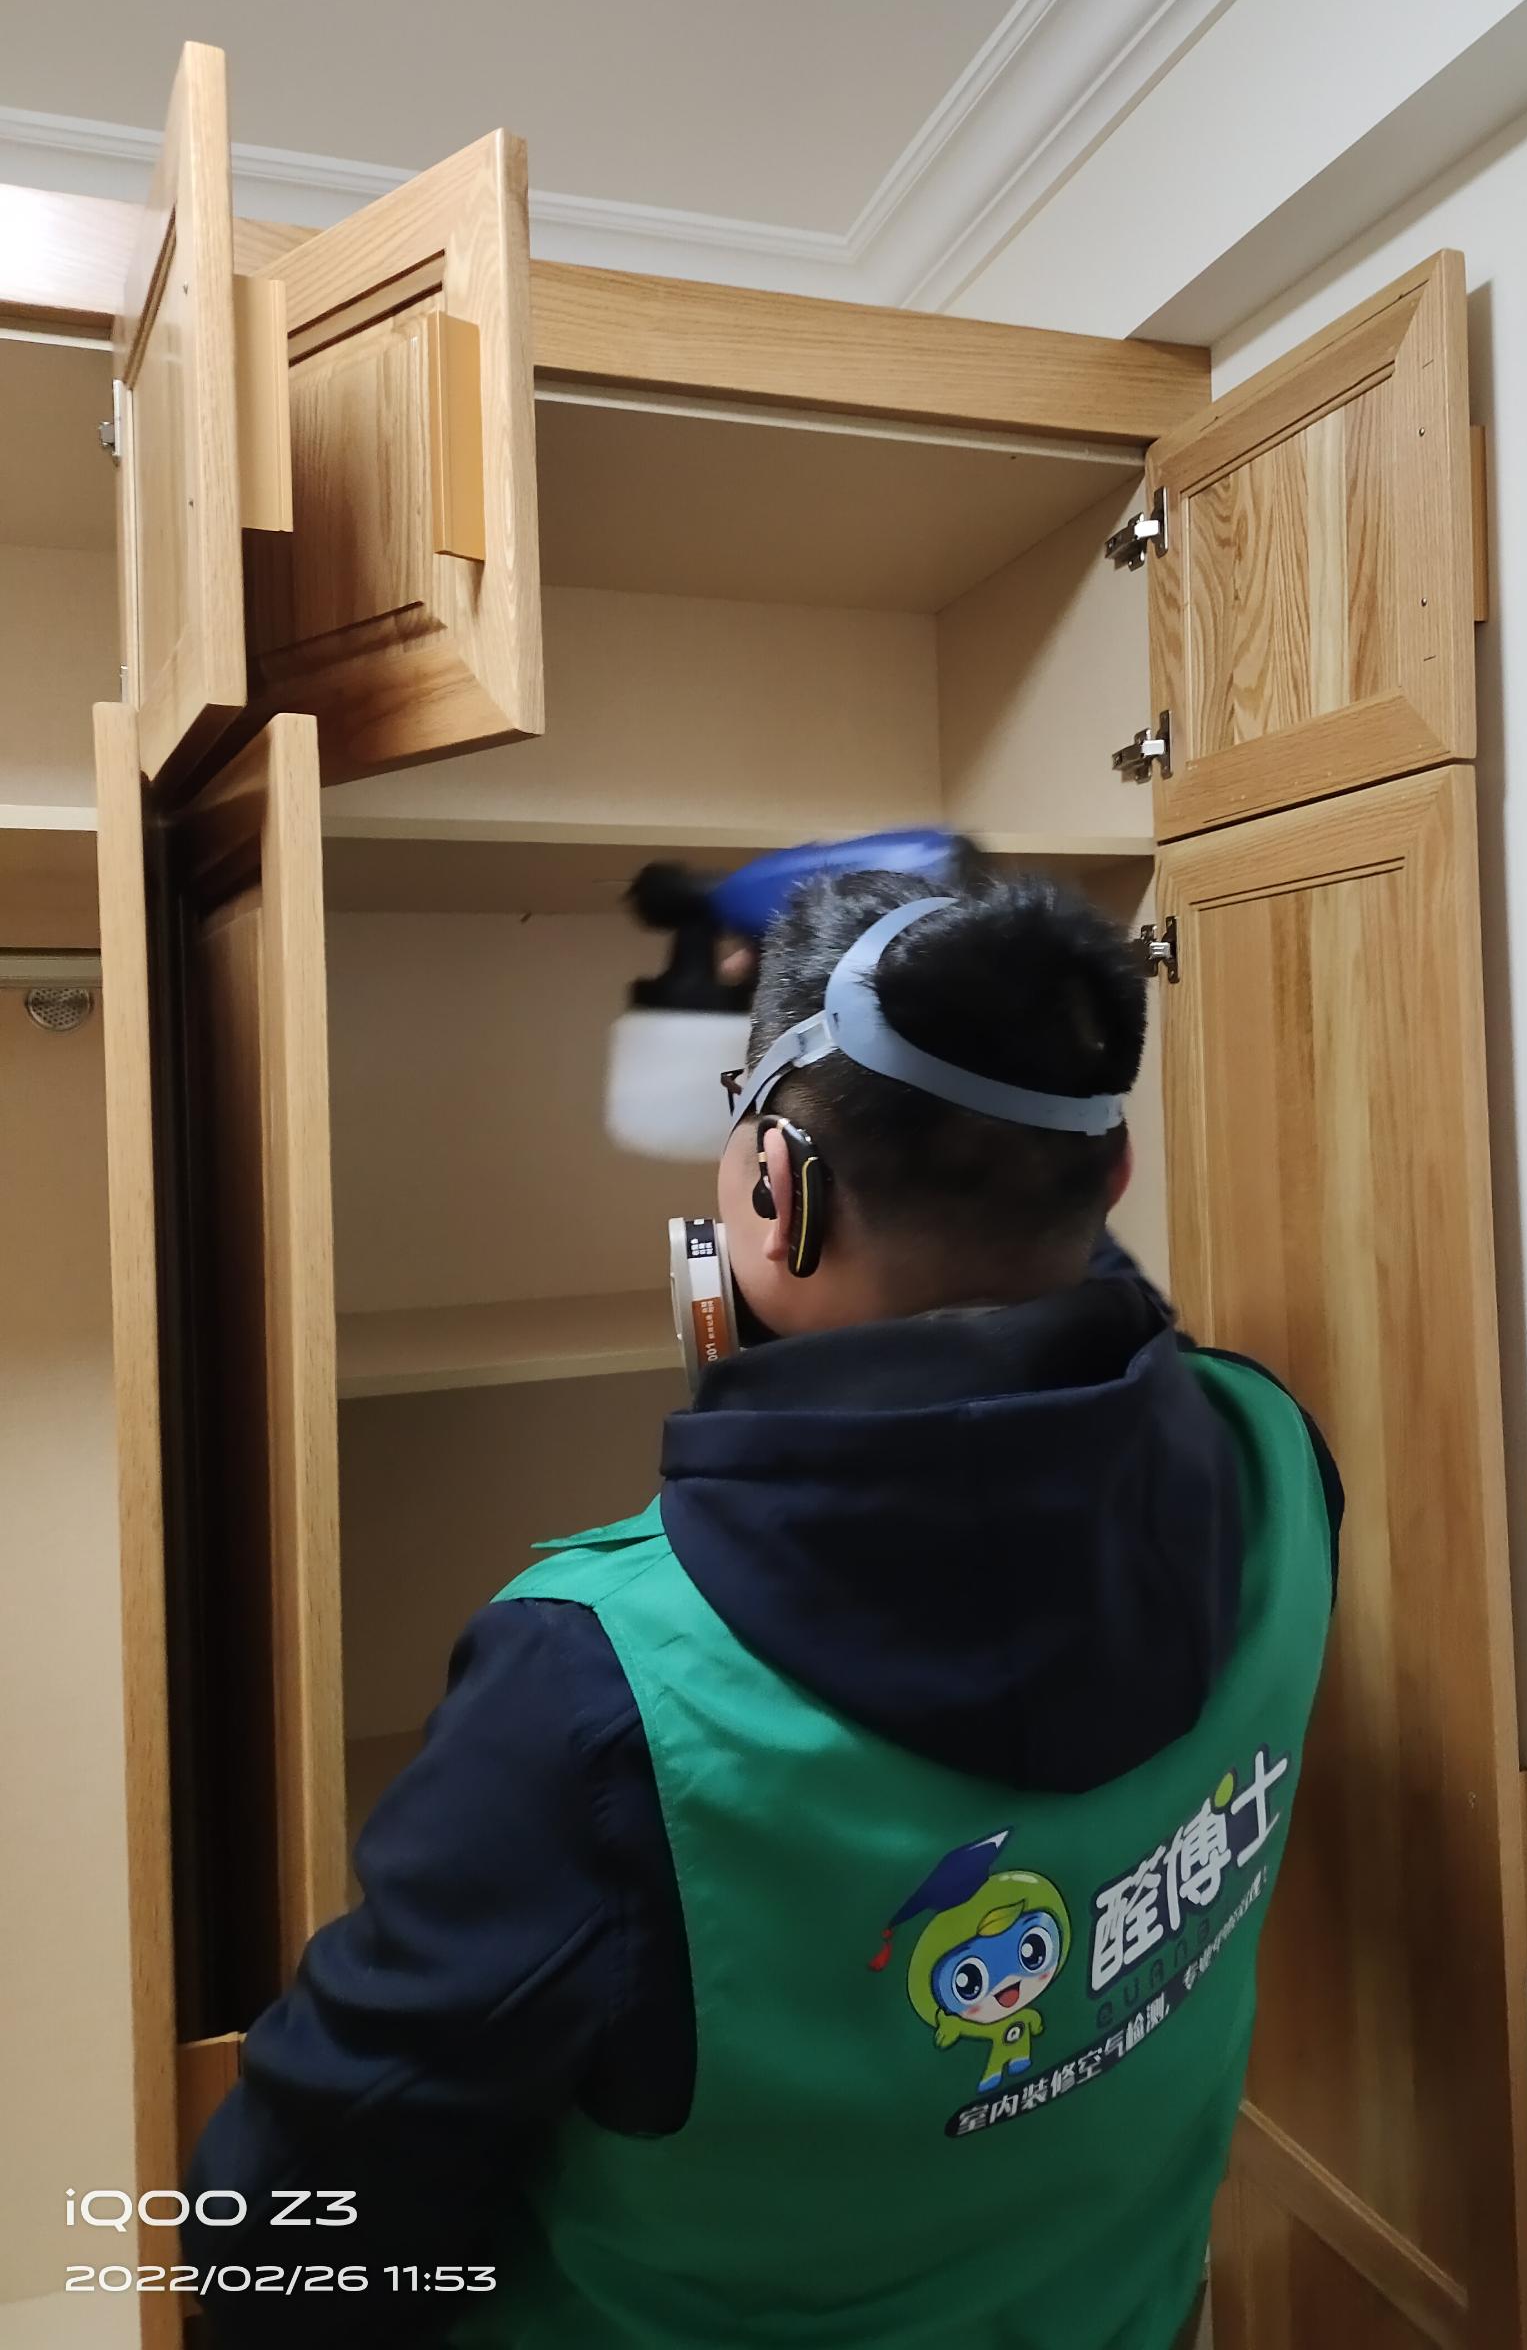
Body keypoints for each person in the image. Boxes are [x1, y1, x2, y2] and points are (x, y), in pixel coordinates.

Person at [184, 865, 1341, 2349]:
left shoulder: (591, 1693)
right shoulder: (1271, 1450)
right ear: (1111, 1178)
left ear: (778, 1188)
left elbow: (282, 2243)